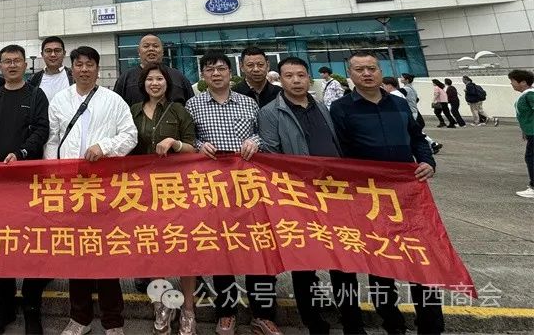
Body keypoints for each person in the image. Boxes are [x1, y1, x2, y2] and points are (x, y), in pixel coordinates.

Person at [331, 51, 443, 335]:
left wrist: (427, 161)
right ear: (350, 74)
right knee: (382, 262)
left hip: (408, 193)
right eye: (359, 69)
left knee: (422, 259)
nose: (366, 73)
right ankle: (393, 324)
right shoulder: (341, 109)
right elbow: (341, 152)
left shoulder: (399, 103)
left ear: (380, 72)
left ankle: (430, 325)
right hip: (370, 196)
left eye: (371, 68)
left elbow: (417, 138)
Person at [258, 57, 365, 335]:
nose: (296, 80)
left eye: (301, 75)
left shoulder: (324, 108)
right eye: (289, 76)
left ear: (309, 78)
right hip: (298, 197)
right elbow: (270, 155)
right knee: (305, 263)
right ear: (280, 80)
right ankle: (314, 322)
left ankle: (352, 322)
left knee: (344, 261)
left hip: (334, 195)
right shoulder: (270, 112)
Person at [47, 46, 136, 335]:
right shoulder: (60, 100)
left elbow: (130, 135)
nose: (84, 69)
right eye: (79, 64)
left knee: (107, 253)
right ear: (71, 68)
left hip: (104, 188)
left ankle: (113, 322)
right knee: (77, 254)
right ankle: (79, 319)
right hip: (70, 187)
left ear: (98, 69)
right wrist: (54, 173)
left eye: (89, 64)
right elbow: (52, 139)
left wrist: (105, 147)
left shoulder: (113, 100)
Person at [185, 51, 275, 335]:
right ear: (203, 75)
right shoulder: (193, 105)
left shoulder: (248, 102)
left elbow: (264, 135)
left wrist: (255, 141)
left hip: (249, 187)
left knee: (256, 246)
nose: (216, 73)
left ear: (230, 72)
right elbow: (189, 139)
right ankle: (226, 312)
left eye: (221, 68)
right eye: (210, 69)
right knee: (222, 249)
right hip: (213, 188)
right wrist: (199, 145)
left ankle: (263, 314)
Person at [0, 45, 51, 335]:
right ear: (0, 65)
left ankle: (32, 307)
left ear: (24, 64)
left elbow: (42, 130)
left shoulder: (36, 95)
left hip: (28, 181)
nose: (11, 65)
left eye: (16, 61)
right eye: (7, 61)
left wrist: (22, 153)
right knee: (1, 244)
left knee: (33, 243)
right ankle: (5, 306)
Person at [129, 64, 197, 335]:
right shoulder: (133, 110)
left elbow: (193, 147)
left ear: (168, 83)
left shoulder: (179, 110)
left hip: (177, 188)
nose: (155, 83)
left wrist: (175, 143)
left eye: (159, 79)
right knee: (153, 246)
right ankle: (162, 304)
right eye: (150, 79)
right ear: (143, 83)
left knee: (184, 246)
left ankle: (188, 309)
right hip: (143, 190)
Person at [113, 34, 193, 106]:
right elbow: (115, 108)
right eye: (146, 46)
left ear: (162, 51)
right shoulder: (125, 78)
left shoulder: (178, 77)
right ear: (139, 52)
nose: (151, 49)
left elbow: (191, 107)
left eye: (155, 46)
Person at [509, 68, 534, 199]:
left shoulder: (529, 95)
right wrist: (525, 130)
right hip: (530, 132)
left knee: (531, 158)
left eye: (513, 81)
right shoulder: (526, 94)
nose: (511, 83)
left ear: (523, 82)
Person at [27, 36, 73, 103]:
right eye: (48, 51)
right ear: (42, 54)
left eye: (57, 50)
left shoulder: (74, 77)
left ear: (64, 54)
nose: (53, 55)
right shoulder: (33, 80)